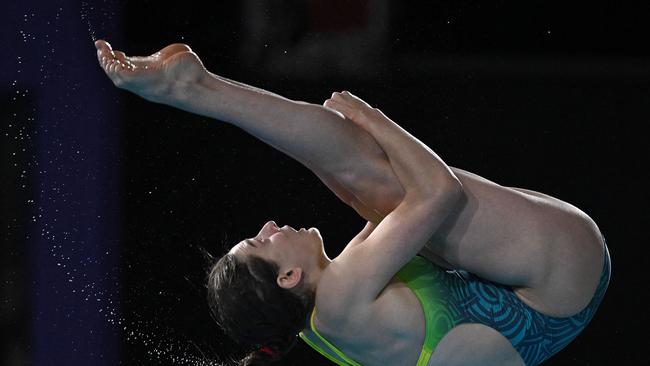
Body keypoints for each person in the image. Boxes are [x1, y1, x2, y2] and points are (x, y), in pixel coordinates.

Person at [95, 40, 610, 366]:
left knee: (358, 182)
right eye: (261, 241)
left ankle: (196, 89)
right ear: (287, 278)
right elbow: (439, 190)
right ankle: (197, 90)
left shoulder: (322, 325)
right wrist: (372, 117)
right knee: (376, 178)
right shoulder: (339, 298)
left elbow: (375, 194)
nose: (270, 225)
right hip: (556, 280)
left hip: (541, 294)